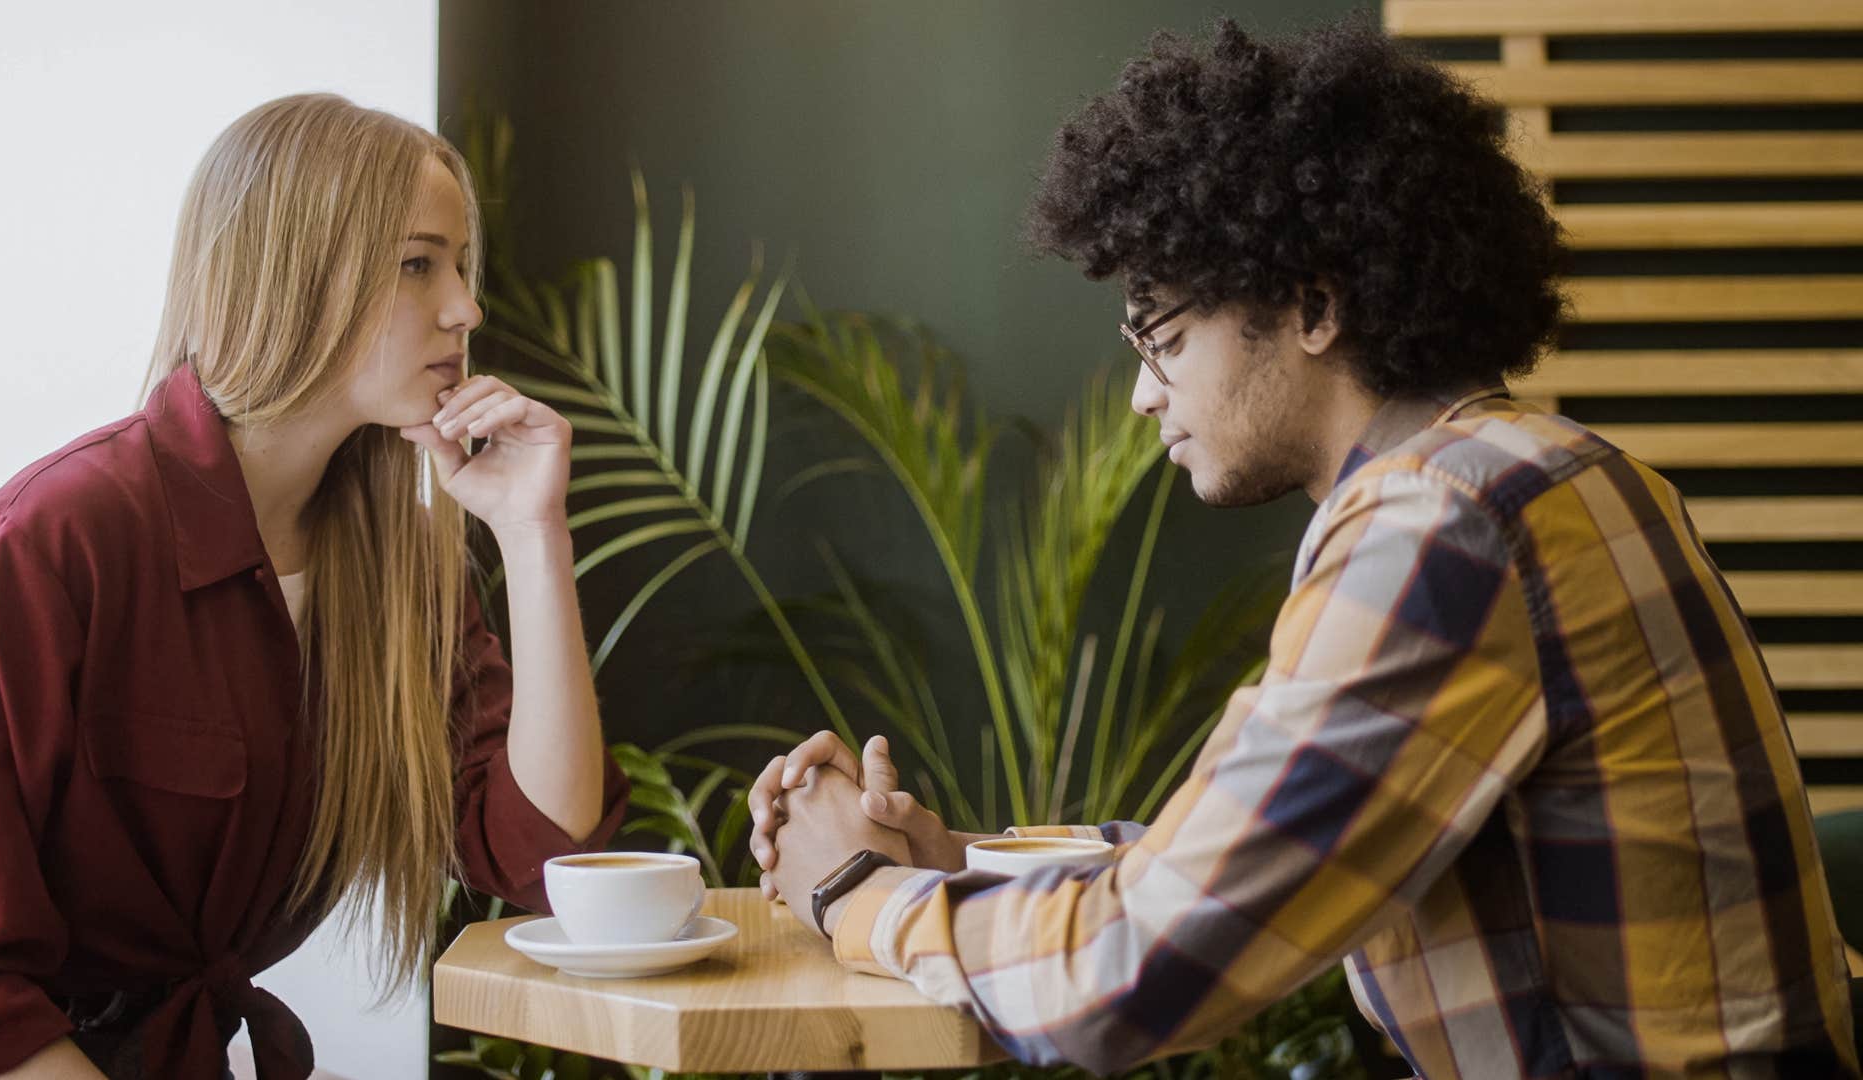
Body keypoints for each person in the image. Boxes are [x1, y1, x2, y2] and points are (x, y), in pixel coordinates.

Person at [747, 18, 1858, 1078]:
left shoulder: (1447, 523)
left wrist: (853, 891)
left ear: (1313, 306)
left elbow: (1136, 975)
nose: (1142, 396)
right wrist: (959, 864)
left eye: (1166, 338)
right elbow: (1256, 848)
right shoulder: (1552, 471)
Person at [0, 94, 629, 1079]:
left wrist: (533, 532)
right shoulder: (51, 545)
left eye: (462, 265)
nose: (466, 308)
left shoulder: (396, 569)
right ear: (299, 272)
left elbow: (543, 856)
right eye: (417, 263)